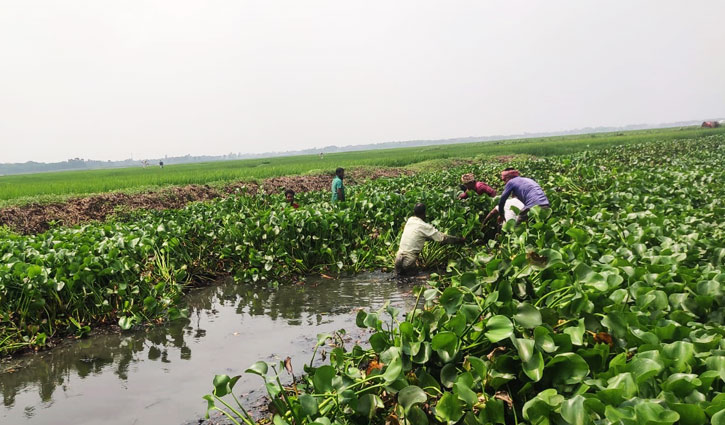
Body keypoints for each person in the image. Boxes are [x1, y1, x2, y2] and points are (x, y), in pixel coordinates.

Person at [395, 203, 465, 277]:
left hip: (398, 258)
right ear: (424, 213)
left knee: (400, 282)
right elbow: (443, 238)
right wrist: (459, 240)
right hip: (409, 261)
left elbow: (418, 235)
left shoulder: (410, 220)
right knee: (413, 284)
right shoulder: (424, 226)